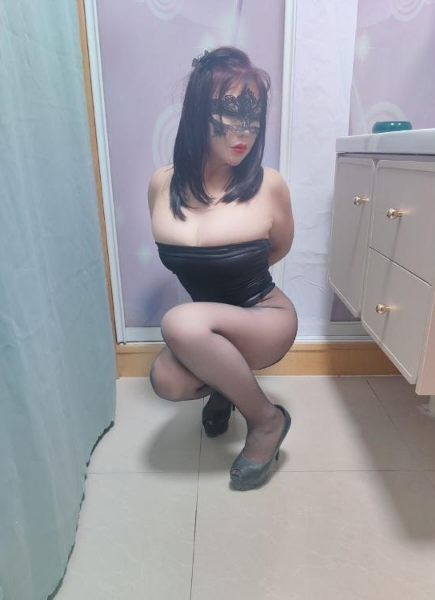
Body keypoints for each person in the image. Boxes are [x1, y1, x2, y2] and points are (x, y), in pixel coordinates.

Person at [147, 46, 297, 491]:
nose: (243, 130)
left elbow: (279, 247)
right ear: (197, 111)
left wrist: (235, 277)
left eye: (254, 115)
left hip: (264, 316)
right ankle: (226, 384)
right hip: (206, 329)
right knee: (166, 380)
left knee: (180, 322)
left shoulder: (269, 186)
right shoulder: (161, 184)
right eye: (230, 111)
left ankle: (267, 421)